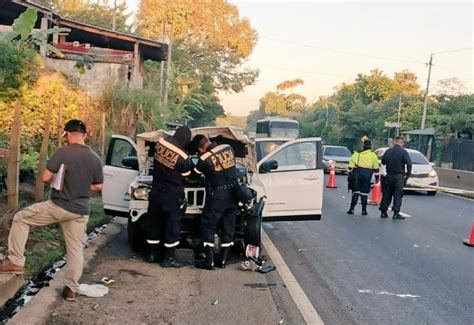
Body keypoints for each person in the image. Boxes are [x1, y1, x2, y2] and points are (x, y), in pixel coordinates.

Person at [0, 119, 103, 302]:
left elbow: (45, 177)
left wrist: (58, 178)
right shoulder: (94, 158)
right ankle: (71, 289)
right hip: (80, 211)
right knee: (76, 250)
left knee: (21, 219)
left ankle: (16, 261)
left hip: (59, 205)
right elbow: (98, 186)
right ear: (84, 135)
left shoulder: (63, 152)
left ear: (69, 135)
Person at [145, 126, 192, 267]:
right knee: (172, 225)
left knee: (154, 223)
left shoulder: (160, 143)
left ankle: (152, 255)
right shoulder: (184, 157)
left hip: (156, 191)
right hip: (172, 194)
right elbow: (186, 176)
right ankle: (169, 259)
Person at [193, 135, 238, 270]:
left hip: (217, 196)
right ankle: (223, 260)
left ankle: (209, 261)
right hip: (233, 194)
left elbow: (194, 174)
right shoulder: (229, 148)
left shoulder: (204, 159)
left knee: (209, 225)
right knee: (228, 226)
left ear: (201, 148)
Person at [379, 136, 412, 219]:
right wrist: (407, 175)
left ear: (394, 142)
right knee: (398, 194)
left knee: (386, 194)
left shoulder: (388, 151)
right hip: (399, 177)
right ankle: (396, 213)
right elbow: (409, 164)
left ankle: (383, 211)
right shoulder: (403, 152)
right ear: (402, 143)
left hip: (389, 175)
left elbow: (383, 162)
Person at [347, 139, 380, 215]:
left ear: (363, 146)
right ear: (371, 147)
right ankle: (364, 211)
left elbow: (350, 168)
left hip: (358, 174)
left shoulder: (356, 155)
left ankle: (351, 209)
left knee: (356, 192)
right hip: (367, 175)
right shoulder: (373, 156)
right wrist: (377, 179)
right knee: (364, 193)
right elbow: (376, 169)